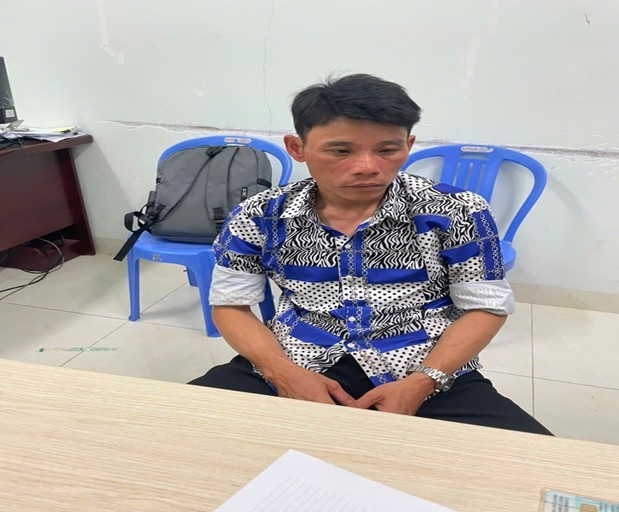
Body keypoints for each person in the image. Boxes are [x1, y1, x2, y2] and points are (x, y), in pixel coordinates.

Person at [189, 73, 551, 435]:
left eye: (387, 150)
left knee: (536, 458)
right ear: (297, 148)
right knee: (180, 426)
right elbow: (231, 305)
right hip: (298, 359)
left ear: (408, 145)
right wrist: (281, 373)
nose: (367, 166)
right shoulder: (260, 215)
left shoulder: (456, 210)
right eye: (340, 151)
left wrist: (421, 384)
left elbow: (486, 306)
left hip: (424, 366)